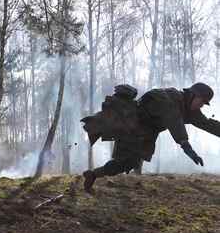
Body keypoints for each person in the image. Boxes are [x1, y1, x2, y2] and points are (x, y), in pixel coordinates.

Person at [81, 82, 220, 193]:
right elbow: (174, 120)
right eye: (201, 101)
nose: (201, 105)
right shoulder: (170, 98)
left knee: (127, 163)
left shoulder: (189, 109)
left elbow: (206, 124)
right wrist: (186, 146)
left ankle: (93, 175)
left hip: (144, 134)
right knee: (126, 162)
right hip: (132, 126)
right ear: (192, 95)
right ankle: (94, 175)